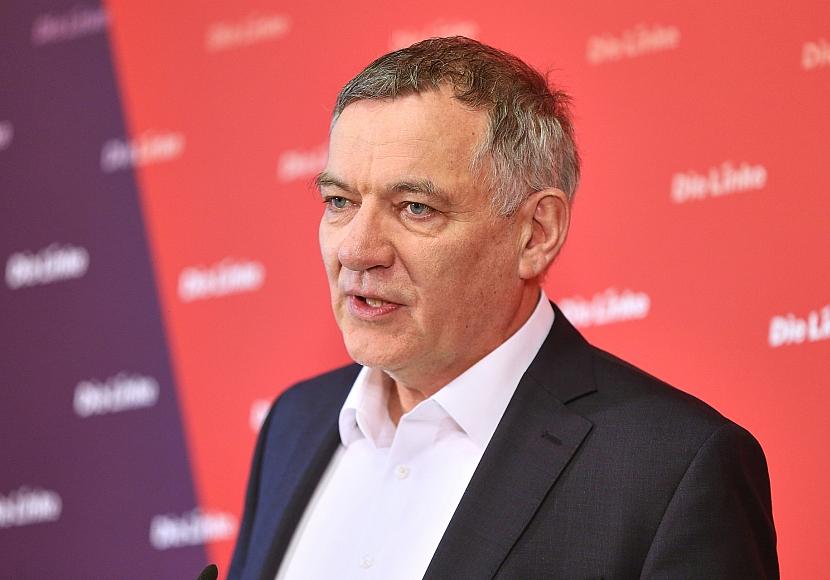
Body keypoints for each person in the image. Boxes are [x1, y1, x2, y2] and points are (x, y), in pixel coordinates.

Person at [228, 37, 778, 579]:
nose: (355, 249)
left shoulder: (672, 469)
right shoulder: (294, 424)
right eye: (339, 201)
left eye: (415, 207)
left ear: (536, 233)